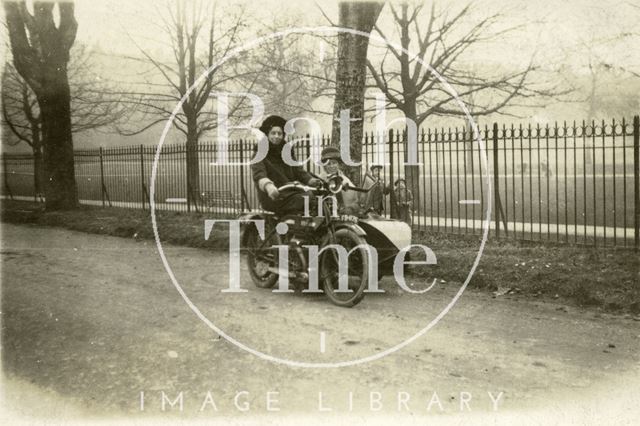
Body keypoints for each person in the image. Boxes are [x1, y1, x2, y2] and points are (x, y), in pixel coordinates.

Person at [250, 115, 321, 215]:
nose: (276, 136)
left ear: (283, 135)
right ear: (267, 135)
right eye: (273, 133)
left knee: (318, 197)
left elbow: (298, 171)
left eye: (280, 134)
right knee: (305, 198)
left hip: (290, 192)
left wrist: (311, 180)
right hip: (273, 196)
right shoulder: (259, 153)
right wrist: (269, 186)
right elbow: (259, 175)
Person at [319, 146, 360, 215]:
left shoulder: (345, 180)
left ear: (338, 164)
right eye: (328, 164)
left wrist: (350, 209)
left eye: (334, 163)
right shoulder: (320, 180)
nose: (332, 166)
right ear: (324, 166)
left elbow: (355, 202)